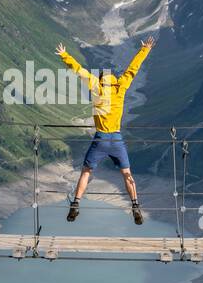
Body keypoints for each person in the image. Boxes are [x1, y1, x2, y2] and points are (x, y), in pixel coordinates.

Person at [56, 37, 155, 224]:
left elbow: (79, 70)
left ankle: (75, 204)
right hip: (116, 139)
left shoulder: (96, 87)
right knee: (127, 174)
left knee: (86, 172)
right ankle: (135, 205)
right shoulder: (121, 86)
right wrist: (145, 49)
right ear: (114, 80)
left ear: (101, 80)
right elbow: (132, 69)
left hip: (100, 138)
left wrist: (64, 55)